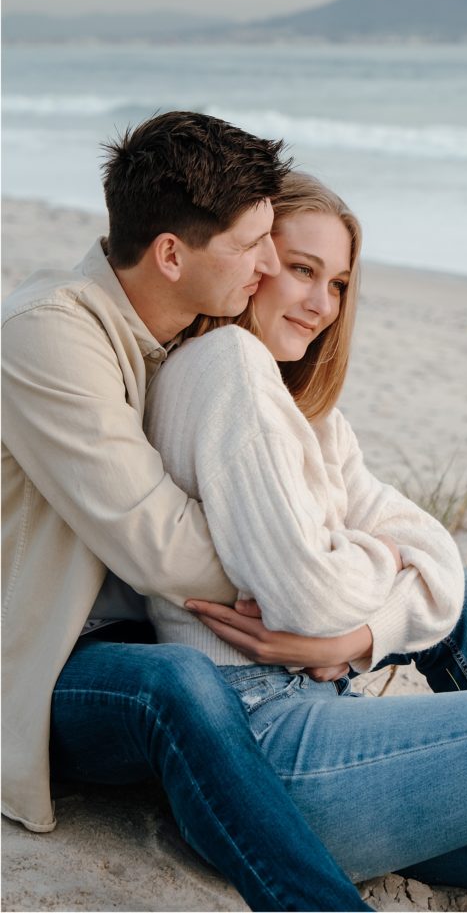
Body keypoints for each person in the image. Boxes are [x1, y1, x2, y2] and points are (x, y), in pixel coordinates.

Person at [143, 171, 467, 913]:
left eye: (337, 283)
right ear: (253, 261)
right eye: (301, 269)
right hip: (275, 755)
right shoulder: (225, 365)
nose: (320, 303)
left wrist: (357, 636)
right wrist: (385, 561)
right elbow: (310, 599)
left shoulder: (309, 416)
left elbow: (436, 551)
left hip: (334, 741)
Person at [1, 111, 374, 913]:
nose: (270, 266)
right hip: (46, 661)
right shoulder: (47, 335)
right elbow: (160, 546)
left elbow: (340, 505)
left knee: (457, 599)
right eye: (253, 245)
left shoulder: (188, 338)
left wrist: (345, 608)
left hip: (145, 632)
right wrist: (299, 585)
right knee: (179, 684)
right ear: (171, 255)